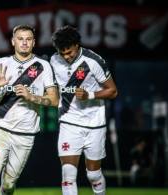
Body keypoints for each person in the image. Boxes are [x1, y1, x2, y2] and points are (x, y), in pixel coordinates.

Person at [0, 24, 59, 195]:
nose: (24, 43)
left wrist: (32, 97)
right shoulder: (2, 63)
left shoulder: (42, 66)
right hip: (0, 126)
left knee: (8, 184)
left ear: (34, 42)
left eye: (28, 39)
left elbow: (54, 100)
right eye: (20, 39)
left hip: (26, 132)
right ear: (13, 41)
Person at [50, 25, 118, 195]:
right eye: (62, 53)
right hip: (69, 122)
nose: (66, 57)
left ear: (77, 45)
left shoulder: (93, 61)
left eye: (69, 53)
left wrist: (90, 95)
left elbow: (113, 91)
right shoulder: (54, 61)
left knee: (93, 175)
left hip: (95, 123)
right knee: (68, 174)